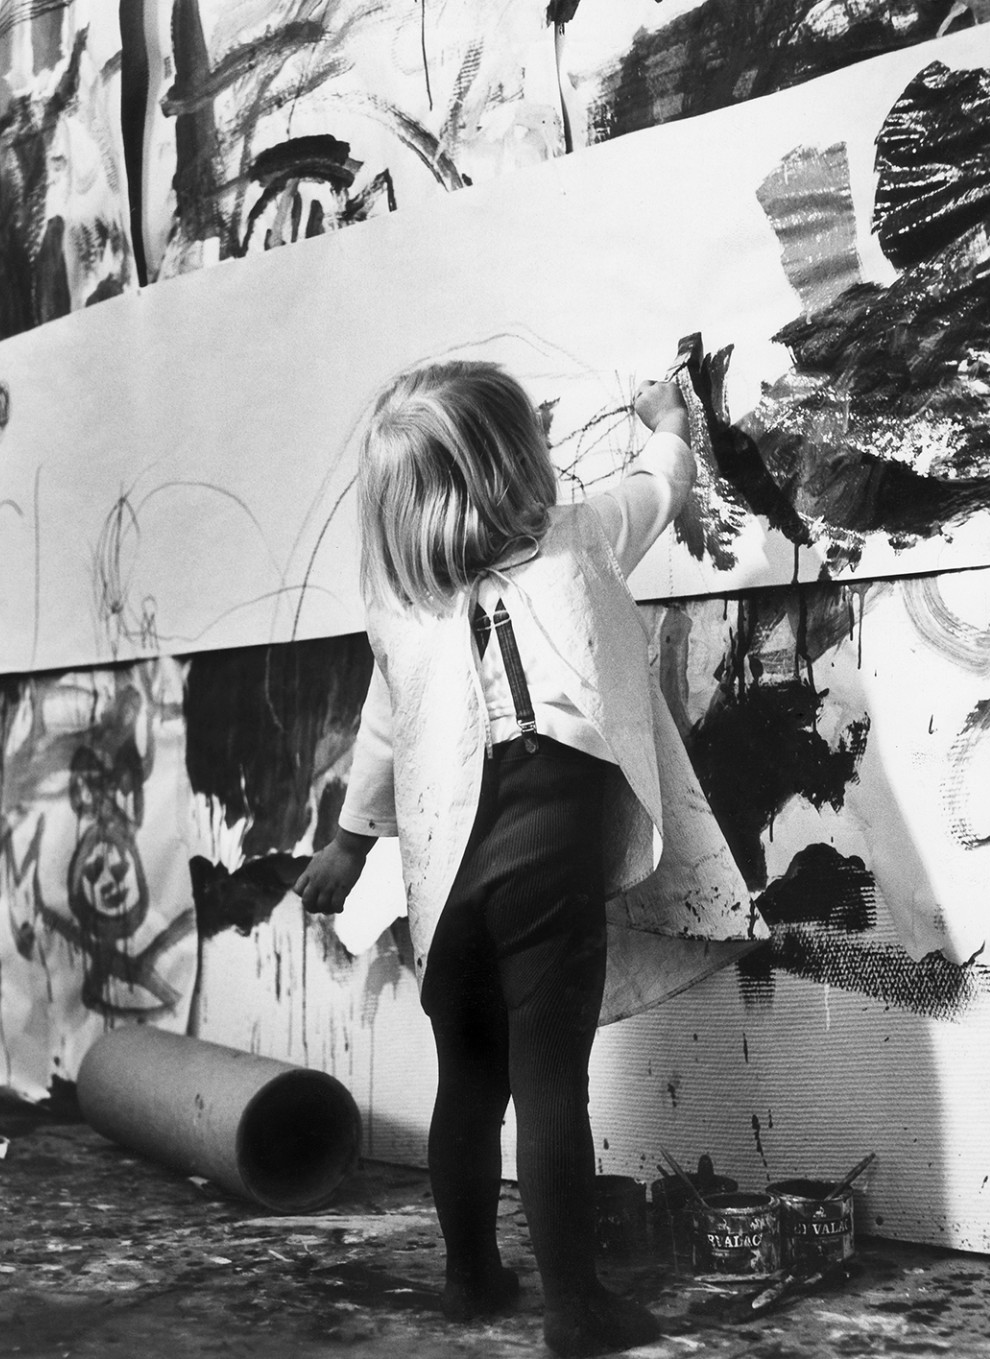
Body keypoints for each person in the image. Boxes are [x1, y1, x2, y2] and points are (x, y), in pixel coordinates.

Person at [294, 359, 716, 1357]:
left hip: (448, 884)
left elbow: (382, 738)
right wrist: (666, 420)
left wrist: (348, 848)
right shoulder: (580, 538)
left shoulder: (404, 609)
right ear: (517, 461)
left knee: (467, 1086)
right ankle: (577, 1309)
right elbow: (663, 483)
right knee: (551, 1087)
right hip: (545, 855)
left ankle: (470, 1278)